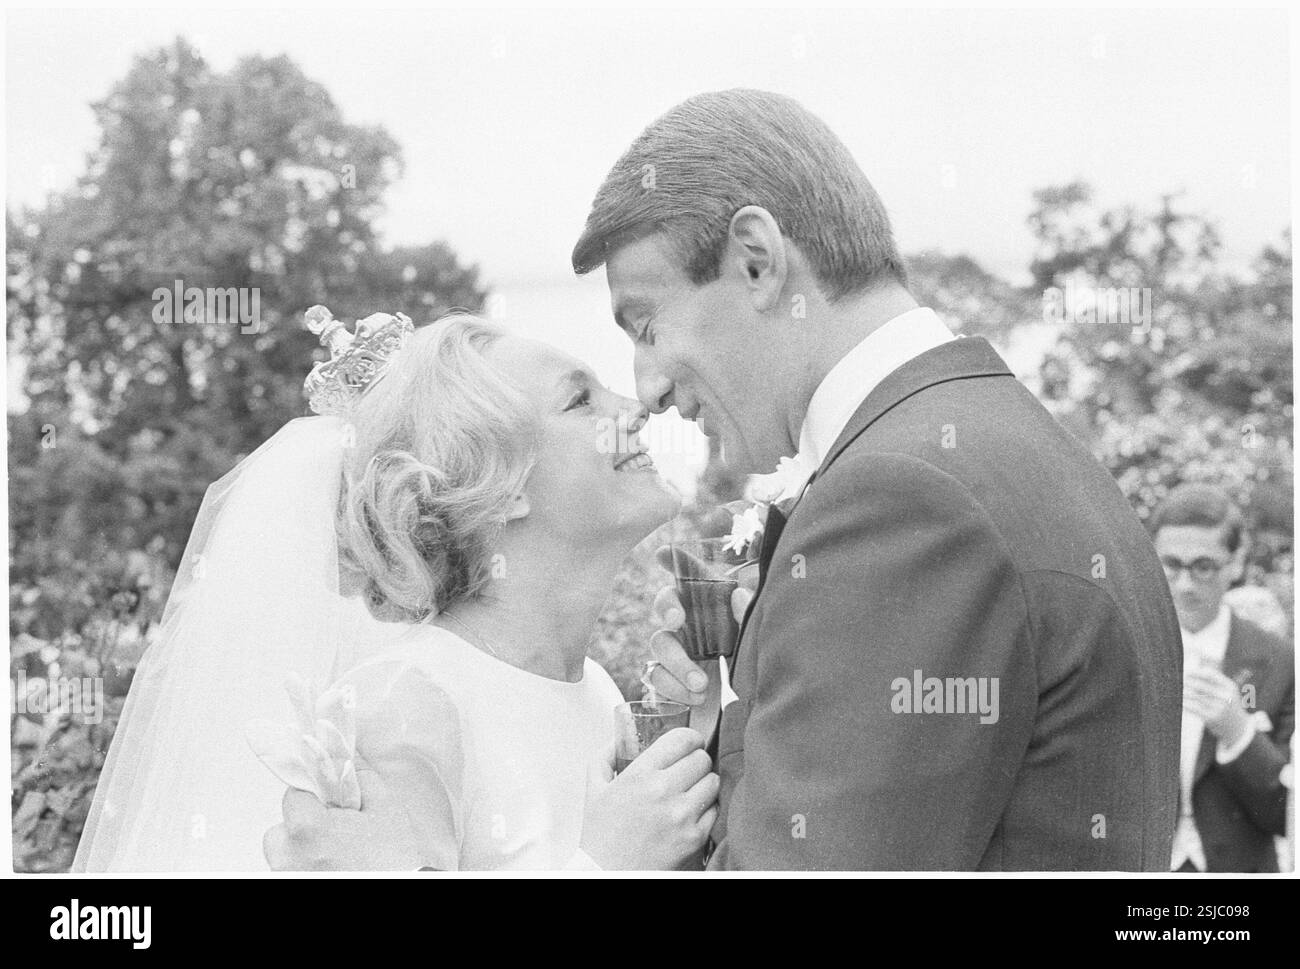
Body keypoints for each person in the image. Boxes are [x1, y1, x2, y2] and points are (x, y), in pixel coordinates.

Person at [578, 89, 1183, 869]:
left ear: (757, 261)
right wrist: (719, 724)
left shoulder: (900, 501)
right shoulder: (992, 439)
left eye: (646, 323)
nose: (650, 385)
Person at [74, 310, 716, 871]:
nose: (633, 410)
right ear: (501, 483)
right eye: (580, 401)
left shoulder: (596, 689)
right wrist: (605, 869)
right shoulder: (406, 704)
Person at [1151, 483, 1294, 873]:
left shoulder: (1279, 660)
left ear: (1235, 562)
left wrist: (1239, 734)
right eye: (1171, 564)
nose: (1185, 584)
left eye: (1203, 566)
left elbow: (1286, 816)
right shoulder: (1126, 651)